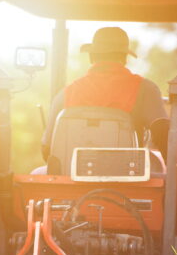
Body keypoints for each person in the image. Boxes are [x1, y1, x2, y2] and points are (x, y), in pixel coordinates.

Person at [41, 26, 168, 162]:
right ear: (125, 58)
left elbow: (47, 150)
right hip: (127, 180)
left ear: (92, 56)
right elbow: (164, 139)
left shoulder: (65, 94)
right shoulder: (145, 89)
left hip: (71, 180)